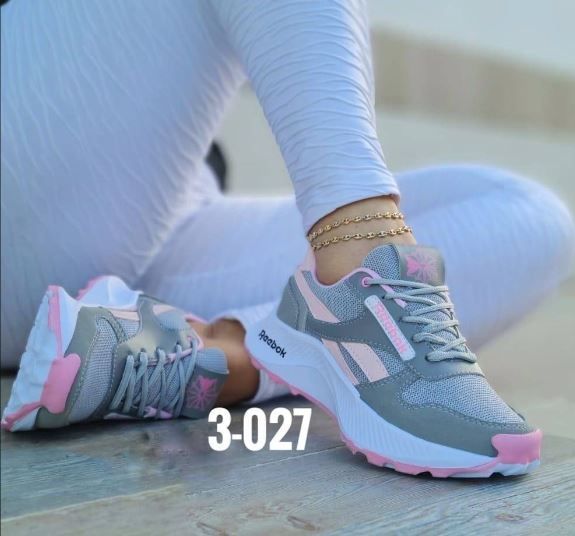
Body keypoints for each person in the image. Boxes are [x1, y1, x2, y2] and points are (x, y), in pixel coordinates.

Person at [1, 0, 573, 478]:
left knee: (531, 219)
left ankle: (209, 351)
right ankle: (357, 251)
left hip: (165, 210)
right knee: (368, 255)